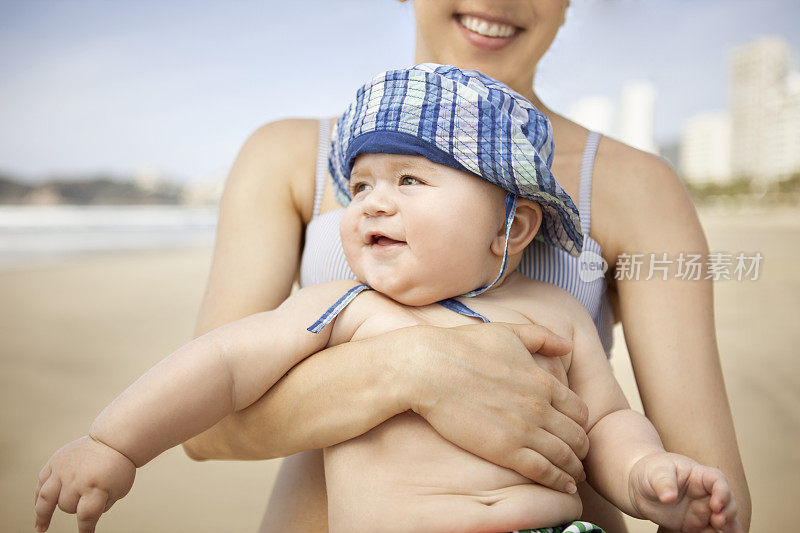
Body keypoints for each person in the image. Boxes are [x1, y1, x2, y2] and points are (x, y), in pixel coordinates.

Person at [34, 65, 742, 533]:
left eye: (409, 182)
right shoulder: (344, 305)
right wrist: (114, 442)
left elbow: (608, 424)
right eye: (362, 185)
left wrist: (648, 476)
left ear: (513, 226)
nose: (373, 204)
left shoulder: (552, 315)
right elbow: (221, 365)